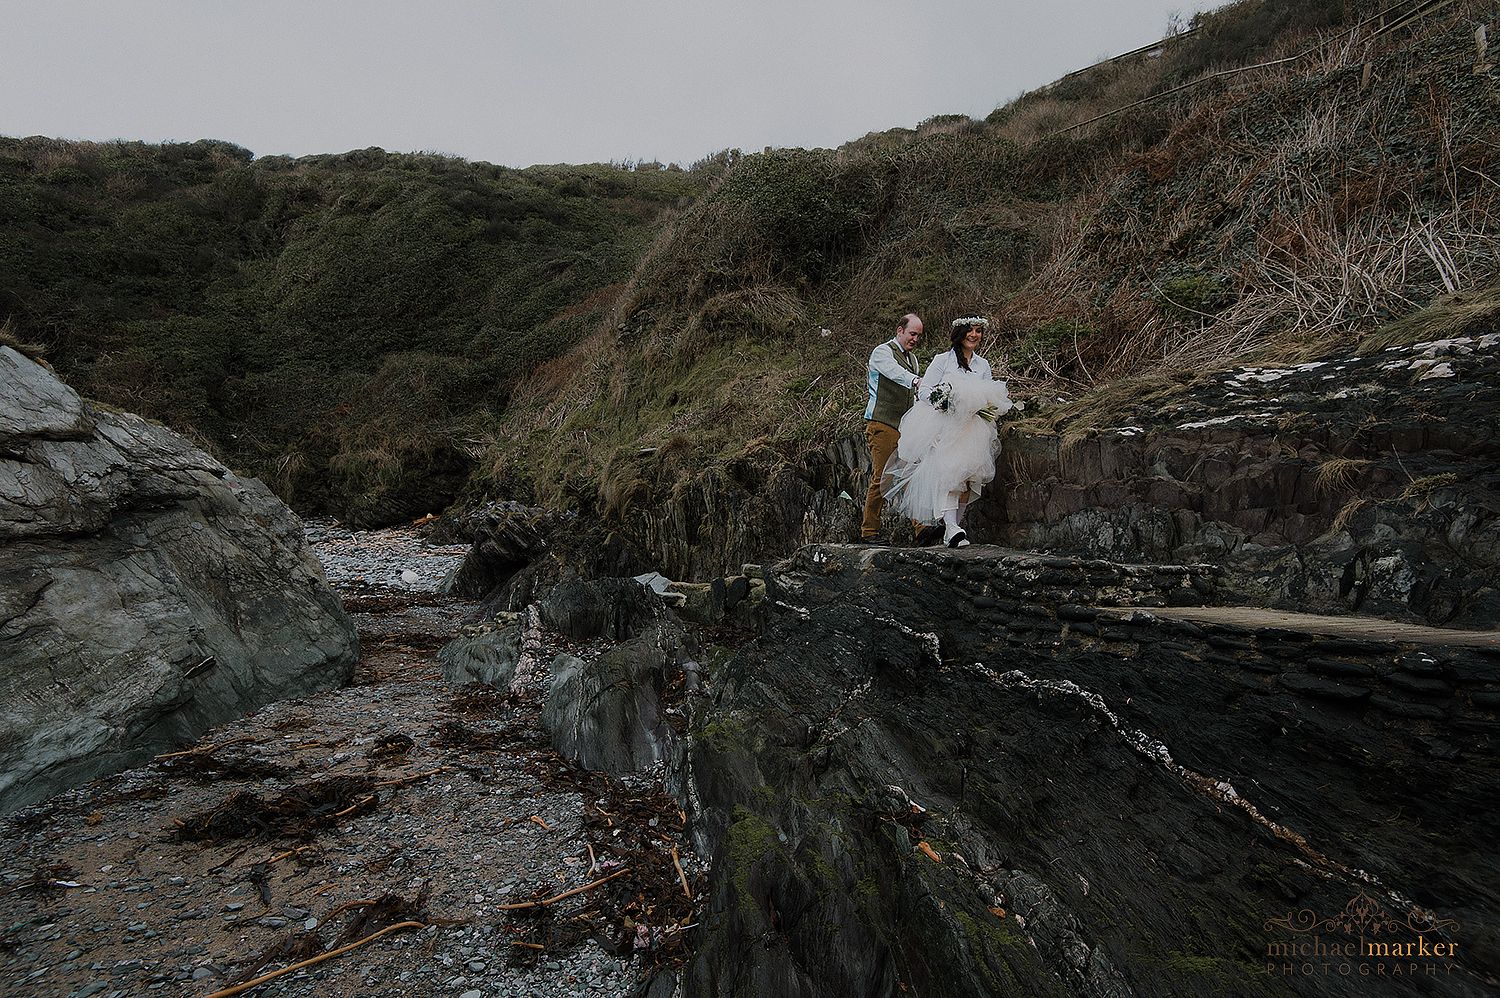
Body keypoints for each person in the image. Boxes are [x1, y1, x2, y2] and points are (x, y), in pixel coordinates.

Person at [883, 314, 1013, 548]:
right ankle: (952, 527)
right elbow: (925, 390)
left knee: (968, 480)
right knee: (950, 475)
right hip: (945, 426)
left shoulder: (982, 365)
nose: (974, 335)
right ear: (959, 334)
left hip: (972, 429)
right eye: (970, 330)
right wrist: (941, 402)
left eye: (978, 331)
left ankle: (952, 529)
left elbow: (989, 397)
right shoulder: (943, 360)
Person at [859, 313, 923, 542]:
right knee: (882, 477)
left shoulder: (913, 360)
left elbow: (913, 396)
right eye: (912, 333)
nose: (915, 339)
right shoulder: (882, 352)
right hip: (881, 423)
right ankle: (869, 531)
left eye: (918, 335)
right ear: (900, 331)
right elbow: (894, 373)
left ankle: (922, 528)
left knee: (911, 475)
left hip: (905, 427)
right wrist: (915, 381)